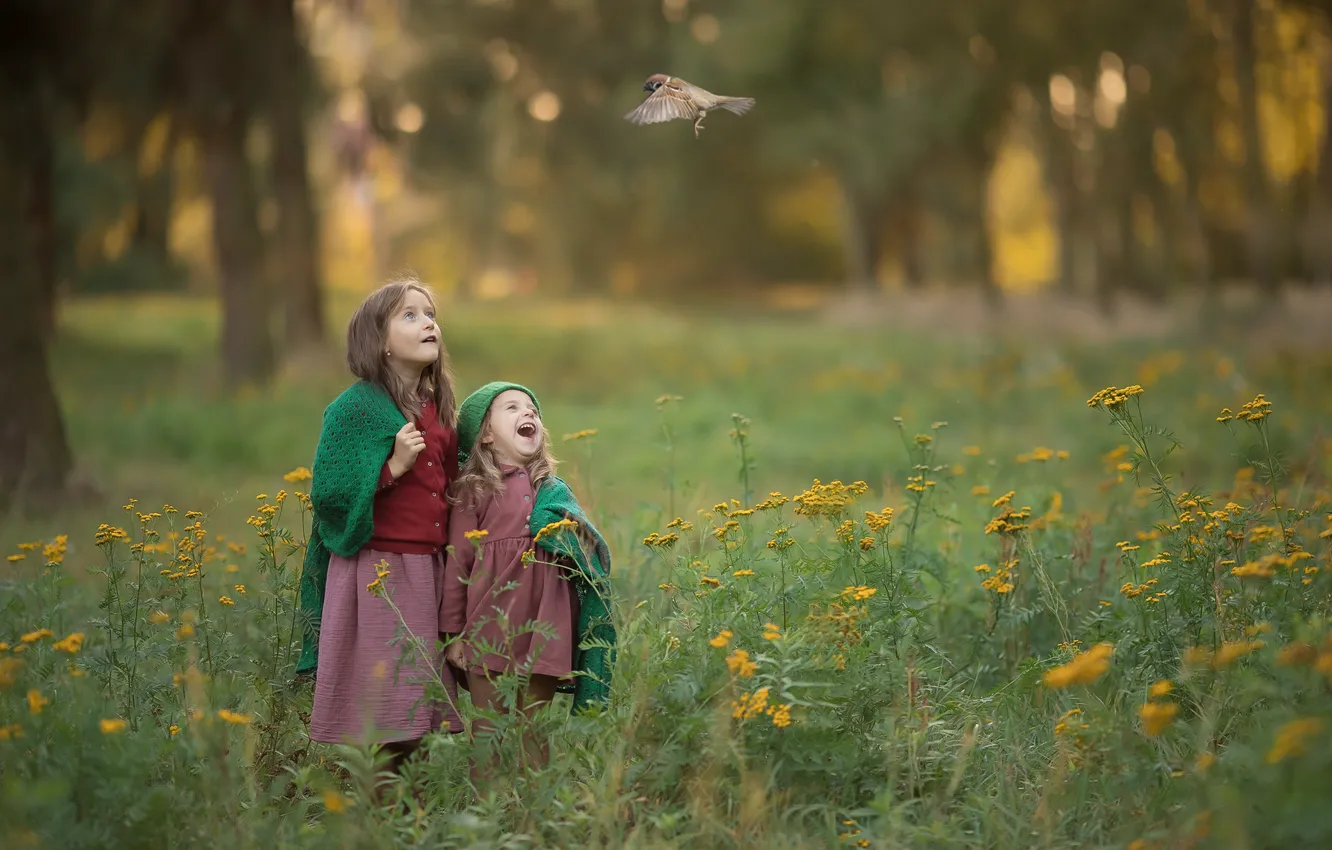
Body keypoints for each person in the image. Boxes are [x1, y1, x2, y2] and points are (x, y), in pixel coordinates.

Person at [297, 278, 464, 778]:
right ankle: (380, 804)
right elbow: (330, 493)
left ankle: (407, 805)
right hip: (379, 572)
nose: (428, 323)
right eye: (410, 315)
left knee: (417, 703)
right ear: (380, 341)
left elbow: (451, 487)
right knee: (386, 705)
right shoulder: (355, 409)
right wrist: (391, 468)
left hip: (427, 569)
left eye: (430, 314)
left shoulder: (437, 408)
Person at [441, 381, 615, 778]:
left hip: (545, 631)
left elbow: (584, 552)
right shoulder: (474, 490)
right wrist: (453, 635)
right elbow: (457, 565)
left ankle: (532, 808)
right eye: (512, 407)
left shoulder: (552, 491)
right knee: (489, 731)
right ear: (485, 434)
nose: (528, 412)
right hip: (489, 629)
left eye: (532, 408)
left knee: (534, 730)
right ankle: (486, 807)